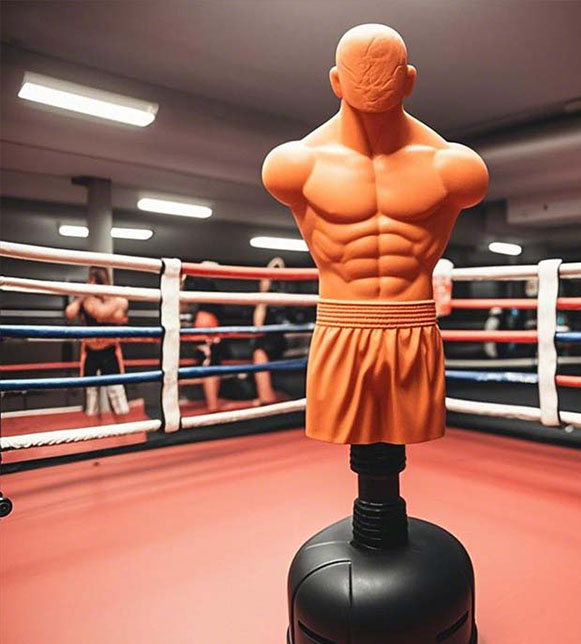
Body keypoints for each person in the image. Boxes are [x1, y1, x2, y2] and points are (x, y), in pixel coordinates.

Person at [262, 24, 488, 445]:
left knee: (402, 446)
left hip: (413, 325)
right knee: (352, 446)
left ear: (409, 80)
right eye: (359, 70)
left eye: (385, 70)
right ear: (335, 81)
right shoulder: (295, 165)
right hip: (340, 324)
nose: (372, 79)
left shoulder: (454, 168)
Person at [65, 266, 130, 417]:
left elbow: (114, 315)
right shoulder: (87, 299)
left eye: (95, 280)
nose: (92, 283)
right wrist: (82, 297)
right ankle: (92, 427)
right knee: (91, 393)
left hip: (109, 350)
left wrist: (109, 308)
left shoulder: (114, 298)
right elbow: (69, 313)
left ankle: (124, 429)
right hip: (91, 351)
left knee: (116, 391)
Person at [182, 263, 225, 412]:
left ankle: (213, 402)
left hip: (207, 321)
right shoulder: (201, 283)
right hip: (207, 322)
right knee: (210, 363)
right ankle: (213, 404)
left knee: (213, 362)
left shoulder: (200, 287)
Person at [252, 257, 287, 405]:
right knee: (260, 352)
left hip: (274, 337)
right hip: (269, 336)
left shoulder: (281, 298)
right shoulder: (265, 299)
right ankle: (267, 396)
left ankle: (266, 397)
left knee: (259, 352)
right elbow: (258, 323)